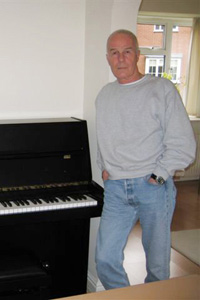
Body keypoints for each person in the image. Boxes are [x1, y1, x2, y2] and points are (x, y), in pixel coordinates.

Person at [95, 29, 196, 290]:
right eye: (114, 53)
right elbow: (103, 136)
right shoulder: (104, 94)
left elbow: (184, 143)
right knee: (105, 259)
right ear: (107, 58)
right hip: (116, 189)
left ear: (138, 55)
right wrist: (104, 166)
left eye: (127, 51)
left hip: (152, 187)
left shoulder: (160, 88)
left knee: (158, 266)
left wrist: (159, 174)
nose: (121, 58)